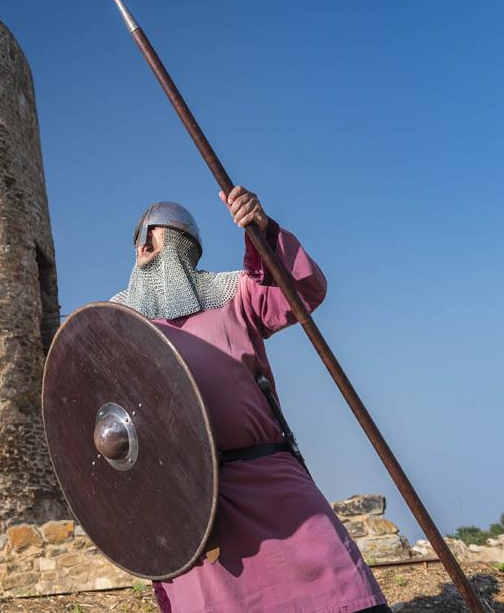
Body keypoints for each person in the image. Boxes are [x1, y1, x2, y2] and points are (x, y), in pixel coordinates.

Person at [111, 187, 389, 613]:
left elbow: (302, 291)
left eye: (151, 236)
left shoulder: (235, 294)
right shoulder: (119, 324)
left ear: (180, 245)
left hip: (269, 480)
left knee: (342, 590)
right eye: (138, 241)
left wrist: (262, 231)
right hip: (194, 506)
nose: (141, 247)